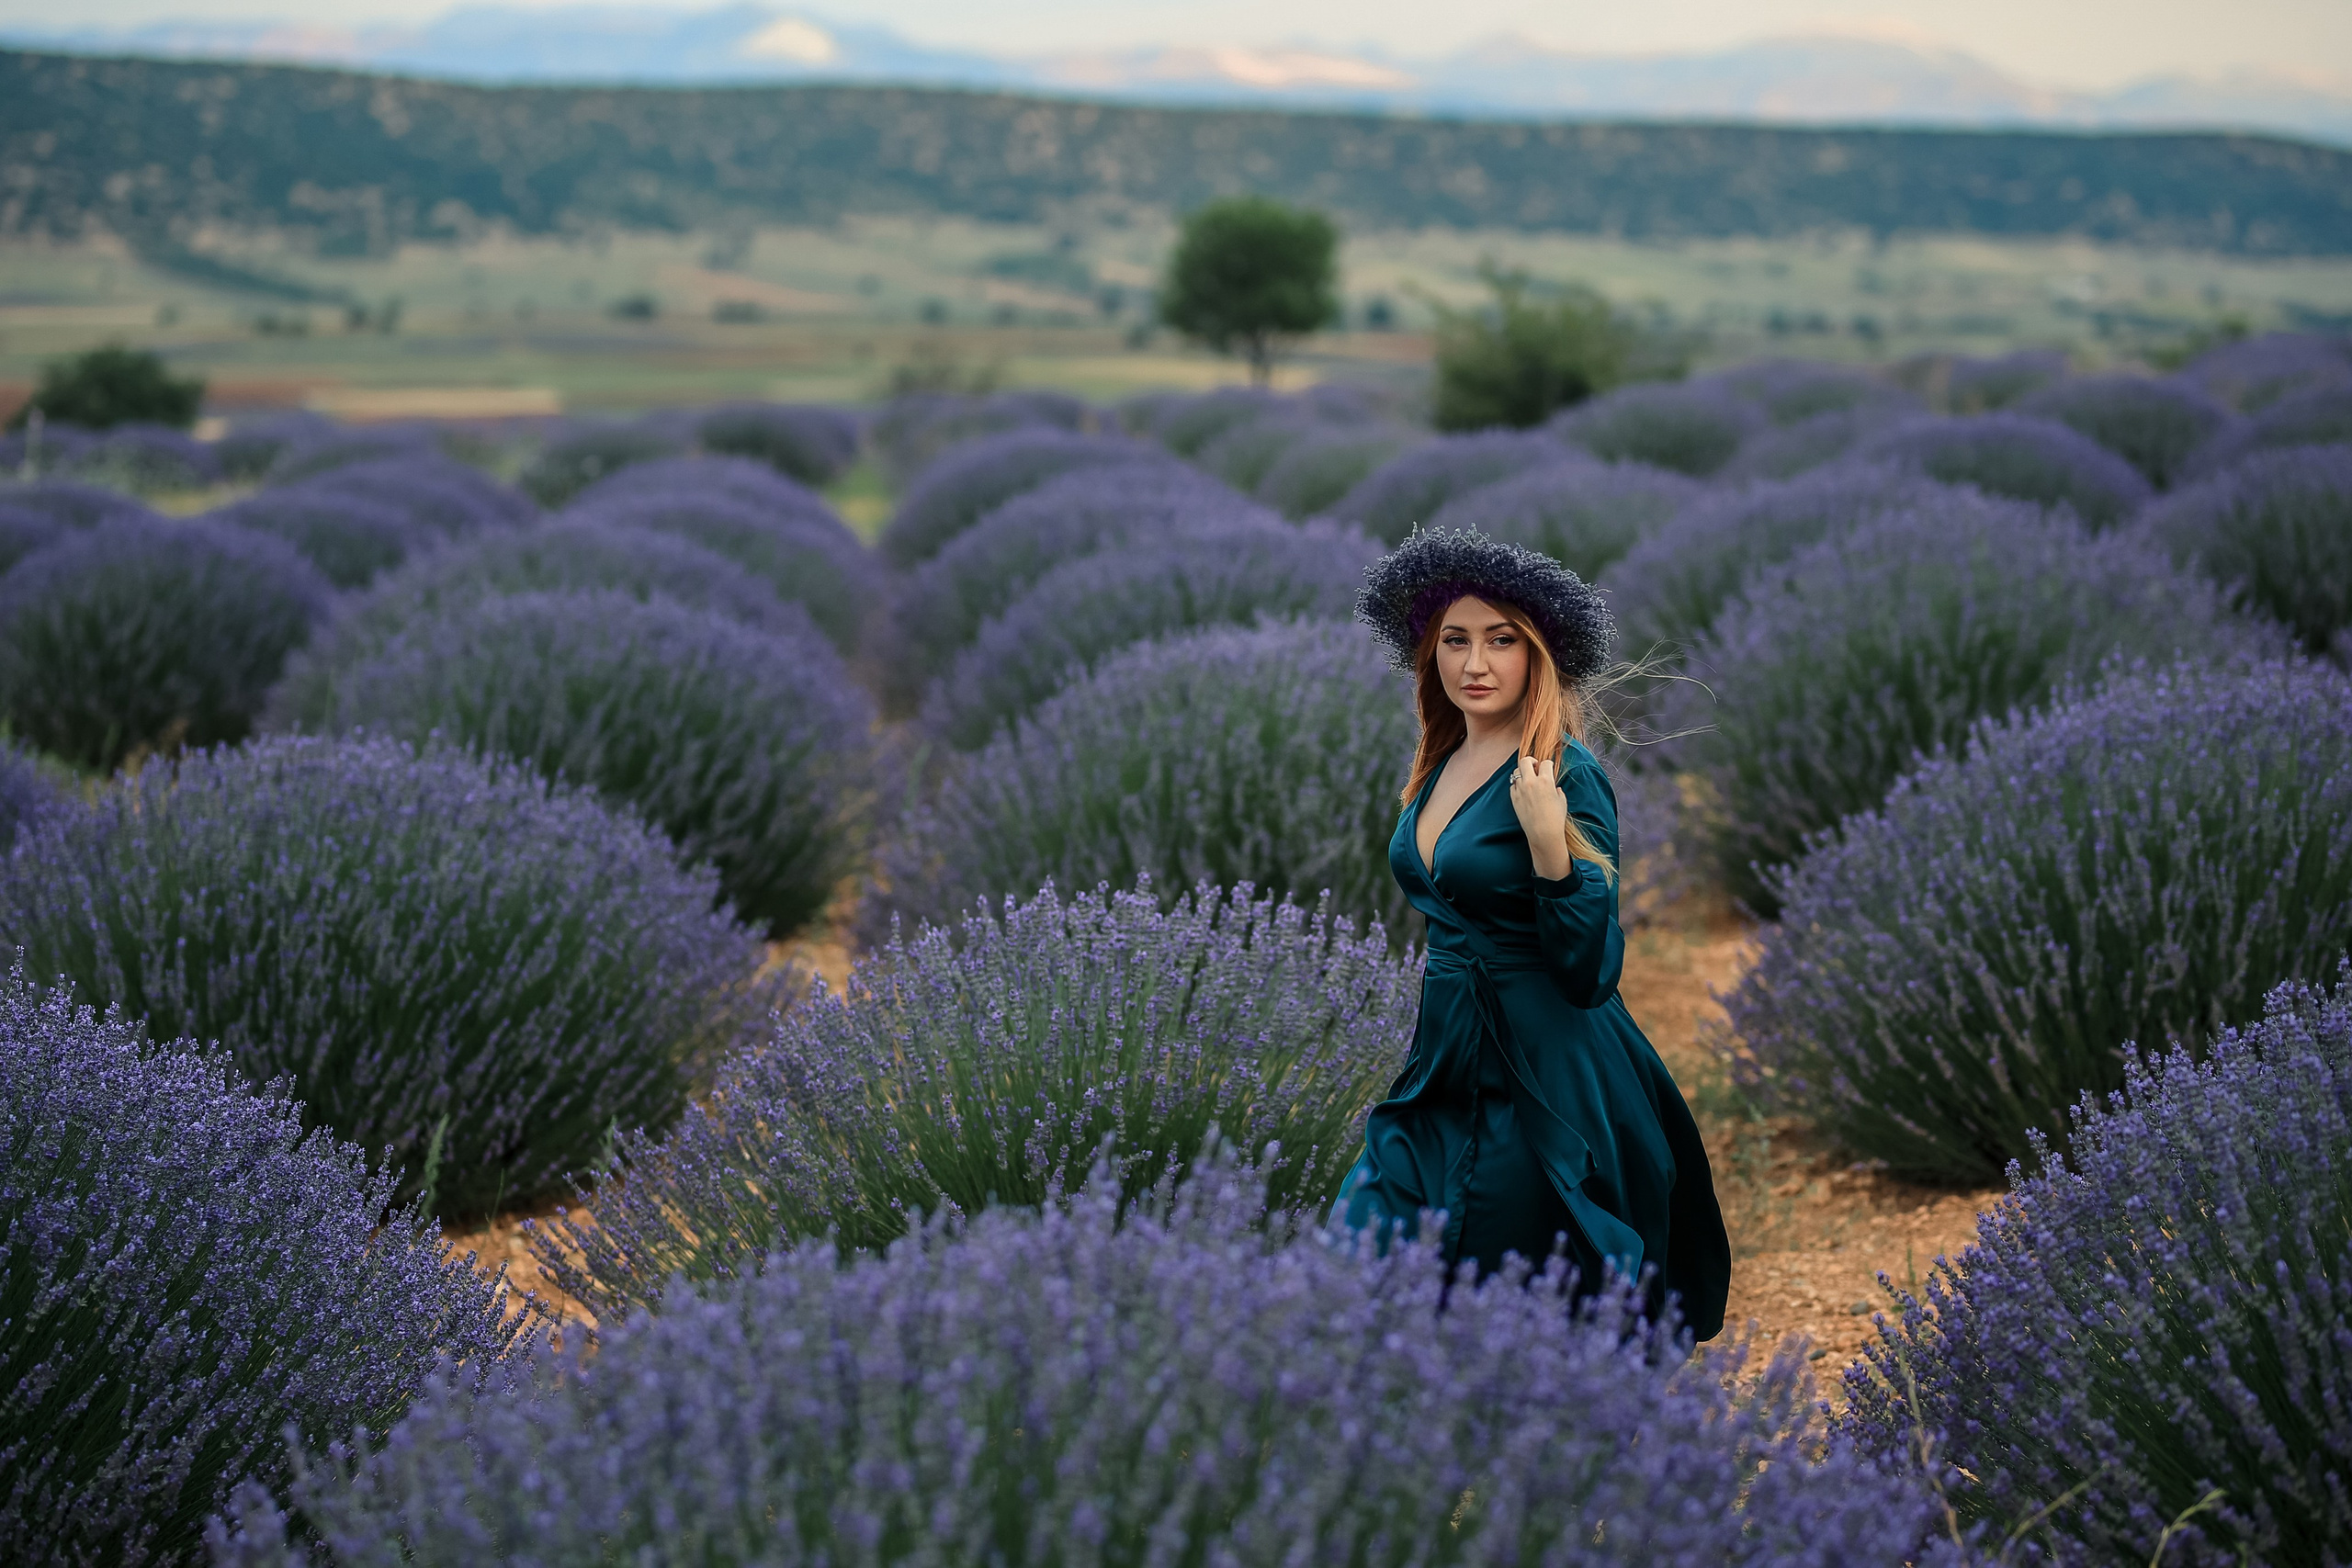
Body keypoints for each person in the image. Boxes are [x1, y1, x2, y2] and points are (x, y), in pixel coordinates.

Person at [1330, 527, 1729, 1340]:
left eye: (1501, 640)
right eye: (1455, 640)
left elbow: (1590, 973)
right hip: (1442, 1062)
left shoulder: (1566, 773)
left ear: (1537, 654)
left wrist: (1553, 851)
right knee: (1360, 1240)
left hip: (1543, 1076)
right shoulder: (1441, 760)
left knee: (1530, 1294)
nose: (1474, 663)